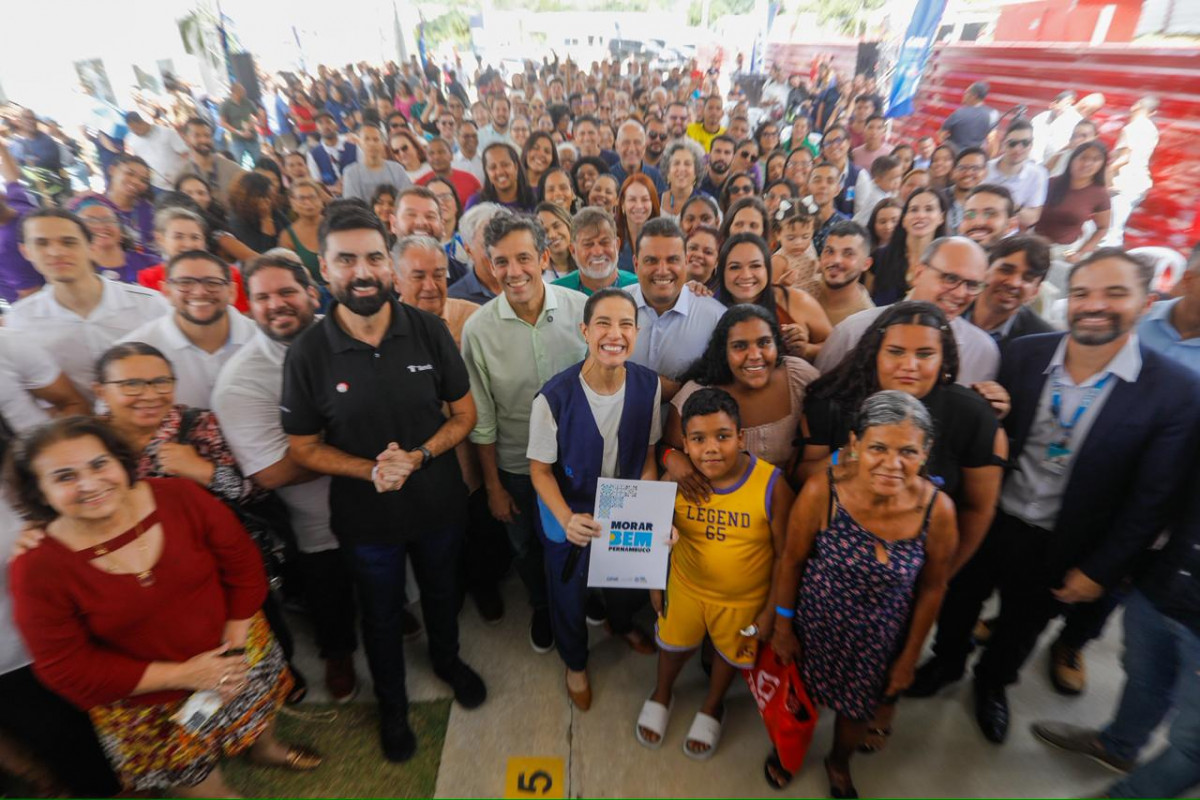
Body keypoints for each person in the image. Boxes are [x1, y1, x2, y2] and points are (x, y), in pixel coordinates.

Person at [906, 249, 1200, 745]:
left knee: (1023, 625)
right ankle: (946, 664)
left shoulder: (1173, 390)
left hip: (1066, 539)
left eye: (1115, 294)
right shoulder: (1026, 353)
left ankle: (993, 685)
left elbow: (1153, 499)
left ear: (1147, 302)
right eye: (1083, 293)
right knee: (959, 601)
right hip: (992, 515)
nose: (1095, 305)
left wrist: (1102, 569)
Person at [8, 417, 317, 796]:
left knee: (257, 709)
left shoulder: (179, 497)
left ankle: (266, 750)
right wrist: (186, 675)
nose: (89, 484)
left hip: (237, 645)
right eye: (64, 476)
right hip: (147, 700)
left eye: (99, 464)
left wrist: (236, 640)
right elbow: (67, 667)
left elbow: (242, 563)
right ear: (39, 492)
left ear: (121, 462)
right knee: (193, 777)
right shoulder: (36, 567)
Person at [282, 205, 486, 762]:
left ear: (389, 266)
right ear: (324, 269)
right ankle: (392, 706)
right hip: (365, 517)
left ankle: (447, 661)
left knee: (444, 594)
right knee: (379, 613)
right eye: (346, 259)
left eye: (373, 256)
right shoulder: (307, 353)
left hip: (438, 501)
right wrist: (370, 468)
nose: (362, 270)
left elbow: (464, 416)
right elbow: (302, 446)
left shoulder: (428, 330)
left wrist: (418, 457)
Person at [765, 390, 957, 795]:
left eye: (908, 451)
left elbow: (934, 588)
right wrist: (783, 627)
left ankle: (838, 763)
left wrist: (909, 657)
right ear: (854, 445)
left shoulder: (937, 511)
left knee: (857, 712)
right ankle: (788, 752)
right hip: (813, 626)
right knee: (798, 701)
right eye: (878, 448)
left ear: (926, 452)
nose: (892, 463)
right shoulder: (823, 492)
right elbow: (792, 561)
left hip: (880, 641)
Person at [212, 252, 360, 703]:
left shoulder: (355, 333)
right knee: (328, 588)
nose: (276, 304)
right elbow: (272, 472)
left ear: (311, 293)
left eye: (287, 292)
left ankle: (393, 611)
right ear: (249, 306)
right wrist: (358, 444)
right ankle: (338, 653)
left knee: (389, 574)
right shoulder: (240, 380)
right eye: (263, 297)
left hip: (384, 494)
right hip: (318, 516)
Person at [637, 388, 794, 758]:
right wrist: (653, 582)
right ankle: (662, 692)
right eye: (698, 439)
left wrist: (772, 610)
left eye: (723, 436)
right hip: (685, 587)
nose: (711, 448)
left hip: (743, 601)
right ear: (685, 445)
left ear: (741, 437)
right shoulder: (675, 481)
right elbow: (653, 533)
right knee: (671, 645)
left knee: (729, 654)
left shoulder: (771, 484)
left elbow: (786, 555)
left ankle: (713, 704)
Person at [462, 211, 589, 655]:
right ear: (489, 265)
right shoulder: (477, 330)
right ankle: (542, 605)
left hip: (576, 462)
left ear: (543, 256)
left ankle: (579, 596)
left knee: (578, 536)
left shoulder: (580, 313)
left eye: (522, 258)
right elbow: (482, 419)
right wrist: (493, 486)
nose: (513, 273)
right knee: (526, 548)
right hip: (515, 465)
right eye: (501, 262)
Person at [529, 288, 662, 710]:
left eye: (625, 324)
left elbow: (648, 457)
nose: (614, 334)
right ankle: (575, 662)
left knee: (626, 583)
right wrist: (567, 517)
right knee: (567, 593)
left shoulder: (648, 385)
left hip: (625, 504)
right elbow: (540, 471)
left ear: (636, 334)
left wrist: (651, 514)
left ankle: (620, 624)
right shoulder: (553, 397)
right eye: (603, 323)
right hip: (567, 510)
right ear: (585, 331)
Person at [390, 235, 508, 622]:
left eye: (439, 274)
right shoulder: (385, 332)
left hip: (477, 452)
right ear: (395, 280)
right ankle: (448, 593)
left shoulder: (471, 316)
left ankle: (485, 586)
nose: (430, 285)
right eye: (417, 275)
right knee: (439, 544)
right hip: (424, 461)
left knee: (484, 533)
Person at [9, 209, 167, 397]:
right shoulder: (21, 320)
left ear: (91, 247)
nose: (56, 252)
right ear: (26, 251)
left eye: (69, 242)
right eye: (41, 243)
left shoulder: (149, 304)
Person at [665, 303, 818, 484]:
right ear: (724, 351)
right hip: (720, 501)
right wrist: (672, 458)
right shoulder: (697, 393)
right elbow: (667, 446)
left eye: (764, 343)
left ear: (777, 344)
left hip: (789, 495)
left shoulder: (799, 377)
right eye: (740, 346)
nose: (754, 355)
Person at [818, 237, 1000, 386]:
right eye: (950, 278)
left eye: (972, 285)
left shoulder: (982, 351)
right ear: (919, 273)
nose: (961, 293)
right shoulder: (853, 332)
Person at [119, 250, 256, 407]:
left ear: (232, 291)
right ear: (166, 292)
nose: (199, 292)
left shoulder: (262, 340)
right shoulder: (136, 350)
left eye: (212, 283)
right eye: (185, 283)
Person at [626, 218, 728, 385]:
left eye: (673, 260)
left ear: (686, 262)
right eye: (651, 260)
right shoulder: (612, 308)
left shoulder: (716, 318)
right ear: (636, 264)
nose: (662, 270)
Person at [715, 233, 831, 362]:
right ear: (722, 272)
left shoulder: (796, 300)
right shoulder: (711, 308)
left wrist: (806, 349)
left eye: (755, 266)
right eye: (735, 267)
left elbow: (834, 345)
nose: (746, 275)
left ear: (767, 269)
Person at [962, 235, 1055, 357]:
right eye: (1006, 270)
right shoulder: (953, 305)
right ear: (985, 270)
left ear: (1035, 292)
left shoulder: (1041, 343)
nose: (1013, 283)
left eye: (1027, 278)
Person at [868, 187, 950, 306]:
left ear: (941, 217)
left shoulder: (948, 264)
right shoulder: (880, 257)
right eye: (914, 210)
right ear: (904, 219)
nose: (920, 215)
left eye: (929, 209)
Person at [1034, 142, 1111, 262]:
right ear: (1072, 159)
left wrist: (1080, 253)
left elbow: (1102, 228)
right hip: (1032, 243)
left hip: (1062, 253)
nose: (1087, 164)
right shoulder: (1050, 183)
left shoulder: (1100, 194)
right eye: (1083, 157)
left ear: (1102, 165)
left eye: (1095, 159)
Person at [1102, 96, 1160, 247]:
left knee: (1110, 232)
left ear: (1136, 106)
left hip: (1123, 182)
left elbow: (1124, 158)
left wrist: (1108, 174)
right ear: (1153, 113)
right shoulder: (1152, 129)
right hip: (1139, 183)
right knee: (1116, 228)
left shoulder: (1133, 128)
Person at [69, 194, 159, 283]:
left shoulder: (152, 264)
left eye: (108, 220)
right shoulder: (73, 273)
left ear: (121, 229)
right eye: (91, 221)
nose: (101, 226)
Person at [986, 119, 1049, 230]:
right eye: (1012, 143)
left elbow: (1032, 218)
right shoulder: (986, 168)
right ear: (1004, 143)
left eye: (1025, 143)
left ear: (1031, 145)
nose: (1018, 149)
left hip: (1009, 236)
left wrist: (1009, 205)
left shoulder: (1038, 174)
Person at [812, 220, 877, 327]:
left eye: (848, 254)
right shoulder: (807, 286)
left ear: (866, 264)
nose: (835, 260)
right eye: (830, 251)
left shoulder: (866, 320)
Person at [448, 201, 506, 305]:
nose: (499, 253)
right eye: (488, 245)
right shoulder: (454, 300)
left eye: (505, 242)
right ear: (469, 250)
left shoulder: (530, 287)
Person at [278, 178, 328, 294]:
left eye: (312, 197)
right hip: (311, 294)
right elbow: (289, 275)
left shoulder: (336, 226)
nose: (308, 203)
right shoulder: (287, 236)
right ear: (292, 203)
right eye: (302, 199)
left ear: (320, 200)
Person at [342, 123, 411, 202]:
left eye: (376, 139)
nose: (371, 143)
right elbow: (352, 206)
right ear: (360, 142)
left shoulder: (397, 169)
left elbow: (407, 198)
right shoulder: (351, 173)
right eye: (366, 139)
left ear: (382, 143)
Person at [103, 155, 157, 255]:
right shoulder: (93, 208)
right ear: (112, 170)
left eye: (143, 180)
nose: (136, 182)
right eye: (130, 173)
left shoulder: (149, 212)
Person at [123, 112, 189, 192]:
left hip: (181, 180)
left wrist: (177, 172)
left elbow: (186, 154)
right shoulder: (131, 139)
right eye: (132, 130)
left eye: (136, 129)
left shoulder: (167, 133)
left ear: (142, 122)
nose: (135, 132)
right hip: (157, 186)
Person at [224, 171, 286, 254]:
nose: (272, 199)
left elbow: (290, 229)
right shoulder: (238, 220)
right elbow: (265, 252)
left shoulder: (273, 209)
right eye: (269, 195)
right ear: (254, 197)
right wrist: (266, 218)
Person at [468, 142, 537, 213]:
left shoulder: (536, 197)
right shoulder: (476, 203)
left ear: (516, 167)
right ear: (486, 172)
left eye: (505, 165)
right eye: (492, 167)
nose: (499, 172)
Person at [611, 120, 668, 197]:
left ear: (644, 147)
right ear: (617, 146)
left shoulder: (656, 177)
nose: (631, 149)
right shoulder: (608, 176)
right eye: (626, 143)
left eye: (637, 143)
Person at [616, 174, 660, 272]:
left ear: (653, 203)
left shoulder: (665, 237)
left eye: (645, 199)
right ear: (622, 204)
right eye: (632, 200)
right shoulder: (611, 237)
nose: (639, 206)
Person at [420, 137, 482, 206]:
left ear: (451, 155)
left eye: (441, 152)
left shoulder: (470, 179)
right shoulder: (420, 186)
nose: (436, 157)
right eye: (431, 153)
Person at [771, 204, 818, 295]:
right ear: (778, 234)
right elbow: (771, 292)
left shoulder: (810, 246)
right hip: (796, 303)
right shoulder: (779, 259)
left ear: (812, 232)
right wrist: (783, 284)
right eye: (791, 238)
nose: (798, 243)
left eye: (805, 237)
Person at [306, 113, 358, 193]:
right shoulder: (313, 154)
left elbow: (365, 170)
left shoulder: (352, 143)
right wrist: (334, 188)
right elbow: (317, 185)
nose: (325, 126)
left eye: (328, 122)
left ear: (336, 125)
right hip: (333, 198)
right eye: (320, 123)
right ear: (317, 129)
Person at [807, 162, 851, 259]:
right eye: (817, 180)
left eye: (830, 181)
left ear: (837, 189)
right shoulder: (799, 220)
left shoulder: (845, 227)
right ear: (808, 186)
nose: (823, 185)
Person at [940, 81, 999, 150]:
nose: (964, 95)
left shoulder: (959, 113)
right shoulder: (992, 114)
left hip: (957, 156)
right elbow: (992, 141)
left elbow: (942, 135)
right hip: (976, 157)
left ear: (974, 96)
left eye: (966, 93)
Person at [945, 147, 988, 234]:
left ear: (984, 172)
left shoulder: (990, 203)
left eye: (975, 168)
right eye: (962, 168)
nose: (968, 173)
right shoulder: (939, 198)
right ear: (953, 171)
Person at [851, 155, 902, 227]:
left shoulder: (889, 191)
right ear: (877, 180)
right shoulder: (875, 198)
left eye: (899, 176)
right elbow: (866, 223)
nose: (897, 181)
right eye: (892, 179)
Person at [220, 81, 262, 168]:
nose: (244, 93)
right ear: (234, 92)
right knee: (237, 163)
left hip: (251, 136)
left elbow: (257, 115)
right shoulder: (226, 105)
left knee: (258, 161)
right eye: (241, 91)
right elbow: (222, 122)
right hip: (237, 139)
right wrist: (239, 132)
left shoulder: (247, 102)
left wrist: (253, 124)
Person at [536, 202, 576, 282]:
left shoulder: (585, 262)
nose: (552, 235)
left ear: (569, 225)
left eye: (556, 226)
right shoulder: (537, 272)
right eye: (545, 231)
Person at [698, 135, 735, 200]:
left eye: (727, 153)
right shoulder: (697, 183)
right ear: (709, 153)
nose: (721, 157)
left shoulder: (736, 186)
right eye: (717, 151)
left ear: (733, 157)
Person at [685, 224, 721, 289]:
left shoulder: (721, 296)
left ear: (717, 261)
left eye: (708, 252)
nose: (699, 255)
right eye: (693, 248)